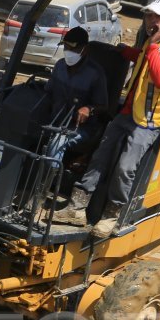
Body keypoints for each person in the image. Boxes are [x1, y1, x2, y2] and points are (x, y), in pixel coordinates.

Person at [58, 0, 160, 236]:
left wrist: (150, 47)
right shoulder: (154, 41)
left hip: (148, 122)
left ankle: (112, 216)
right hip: (128, 112)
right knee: (99, 157)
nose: (151, 20)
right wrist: (125, 52)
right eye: (149, 15)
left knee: (125, 167)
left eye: (157, 16)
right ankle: (77, 208)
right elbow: (142, 60)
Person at [42, 27, 108, 213]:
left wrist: (89, 108)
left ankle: (42, 192)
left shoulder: (95, 74)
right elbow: (48, 93)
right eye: (66, 47)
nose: (68, 52)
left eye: (73, 48)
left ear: (84, 50)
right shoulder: (60, 66)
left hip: (81, 129)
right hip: (56, 122)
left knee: (57, 143)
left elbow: (104, 107)